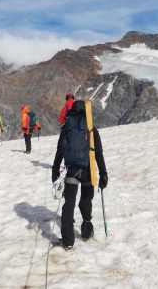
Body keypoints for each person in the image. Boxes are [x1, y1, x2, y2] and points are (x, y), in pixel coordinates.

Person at [51, 100, 108, 250]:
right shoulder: (91, 129)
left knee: (69, 204)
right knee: (85, 200)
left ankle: (68, 241)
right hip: (88, 171)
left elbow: (60, 151)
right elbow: (99, 154)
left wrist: (55, 171)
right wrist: (103, 173)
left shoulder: (67, 128)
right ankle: (86, 230)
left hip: (72, 171)